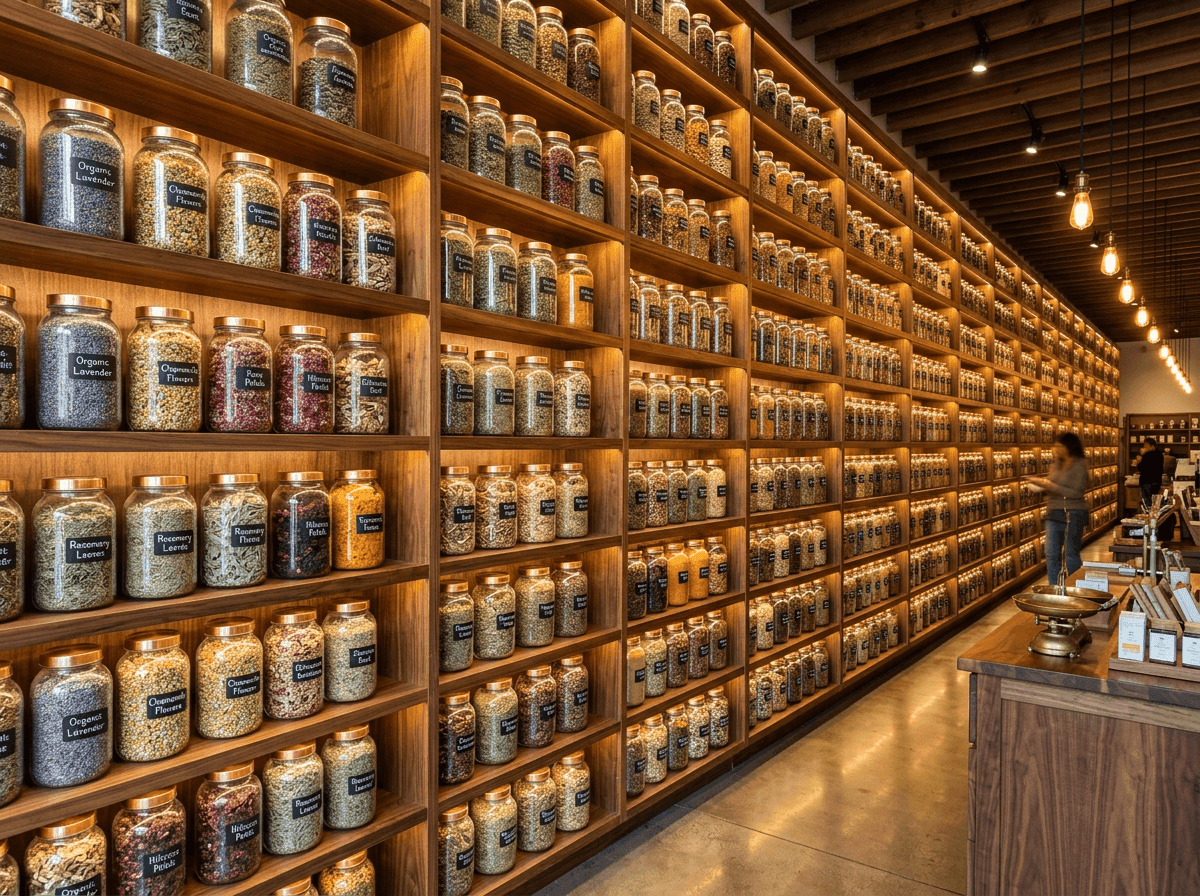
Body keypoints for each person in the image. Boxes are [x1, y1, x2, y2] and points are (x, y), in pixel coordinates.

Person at [1026, 432, 1089, 588]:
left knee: (1070, 554)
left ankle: (1076, 588)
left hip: (1074, 513)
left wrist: (1047, 485)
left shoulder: (1080, 464)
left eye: (1059, 446)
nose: (1055, 449)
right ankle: (1055, 589)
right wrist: (1041, 485)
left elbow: (1077, 492)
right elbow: (1052, 482)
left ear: (1069, 447)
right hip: (1054, 513)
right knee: (1051, 553)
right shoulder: (1057, 463)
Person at [1133, 437, 1164, 508]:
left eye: (1146, 446)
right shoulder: (1160, 454)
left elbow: (1140, 468)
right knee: (1155, 503)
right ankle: (1155, 517)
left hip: (1146, 482)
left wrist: (1138, 461)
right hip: (1157, 482)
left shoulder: (1146, 455)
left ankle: (1148, 517)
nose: (1145, 448)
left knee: (1147, 503)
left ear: (1152, 446)